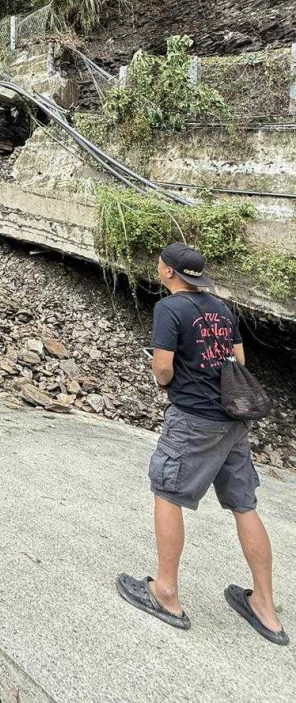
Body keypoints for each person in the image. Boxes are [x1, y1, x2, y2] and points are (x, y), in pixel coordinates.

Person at [117, 242, 288, 645]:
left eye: (161, 263)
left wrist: (165, 380)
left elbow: (163, 367)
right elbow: (239, 362)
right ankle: (265, 606)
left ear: (170, 272)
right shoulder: (221, 310)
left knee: (168, 493)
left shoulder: (168, 309)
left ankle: (166, 593)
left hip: (193, 420)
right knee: (244, 506)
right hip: (233, 420)